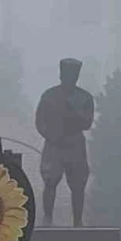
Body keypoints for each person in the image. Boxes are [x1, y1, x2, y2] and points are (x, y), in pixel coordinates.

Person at [35, 58, 94, 227]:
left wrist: (73, 114)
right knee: (50, 182)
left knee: (78, 186)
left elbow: (87, 122)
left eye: (73, 75)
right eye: (67, 74)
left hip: (75, 146)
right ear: (61, 74)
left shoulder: (84, 98)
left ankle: (77, 220)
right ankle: (47, 218)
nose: (70, 78)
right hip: (54, 146)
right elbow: (40, 121)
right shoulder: (49, 96)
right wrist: (51, 135)